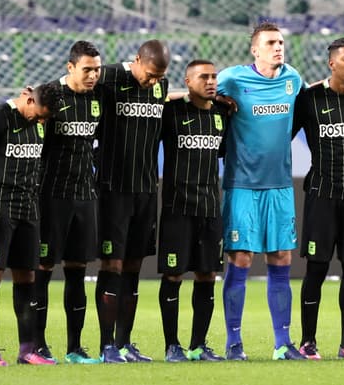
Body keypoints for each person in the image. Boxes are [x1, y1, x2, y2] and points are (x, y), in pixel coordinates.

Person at [216, 23, 306, 361]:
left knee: (282, 258)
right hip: (242, 184)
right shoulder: (233, 79)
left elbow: (299, 117)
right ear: (255, 50)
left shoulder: (292, 80)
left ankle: (283, 343)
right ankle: (234, 343)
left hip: (280, 184)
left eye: (281, 42)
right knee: (241, 258)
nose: (278, 47)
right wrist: (220, 100)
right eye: (271, 42)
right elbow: (202, 93)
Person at [292, 38, 344, 360]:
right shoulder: (310, 99)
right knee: (316, 268)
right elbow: (282, 132)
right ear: (332, 64)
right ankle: (308, 341)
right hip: (322, 197)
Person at [92, 40, 171, 363]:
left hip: (146, 190)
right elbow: (69, 93)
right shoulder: (107, 77)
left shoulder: (160, 87)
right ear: (137, 60)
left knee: (135, 266)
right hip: (113, 189)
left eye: (159, 77)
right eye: (150, 74)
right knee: (112, 265)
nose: (153, 82)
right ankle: (106, 344)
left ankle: (125, 344)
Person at [0, 84, 55, 366]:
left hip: (29, 209)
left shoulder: (40, 119)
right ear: (28, 98)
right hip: (0, 208)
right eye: (38, 114)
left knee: (26, 277)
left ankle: (27, 350)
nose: (40, 121)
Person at [34, 42, 105, 364]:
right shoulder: (50, 95)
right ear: (70, 67)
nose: (93, 75)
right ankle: (36, 344)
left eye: (97, 69)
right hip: (52, 197)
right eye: (87, 69)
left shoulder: (97, 98)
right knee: (43, 269)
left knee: (77, 271)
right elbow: (21, 114)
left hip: (85, 196)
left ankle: (74, 348)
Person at [158, 60, 228, 363]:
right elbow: (154, 102)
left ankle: (198, 345)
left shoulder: (223, 114)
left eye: (214, 77)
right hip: (178, 208)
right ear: (187, 81)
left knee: (207, 275)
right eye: (204, 77)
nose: (211, 81)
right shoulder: (172, 113)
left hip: (211, 208)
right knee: (174, 275)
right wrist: (176, 96)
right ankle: (172, 345)